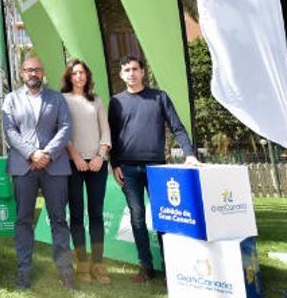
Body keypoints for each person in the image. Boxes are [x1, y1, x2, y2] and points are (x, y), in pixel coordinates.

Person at [108, 55, 198, 283]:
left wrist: (189, 154)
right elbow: (111, 137)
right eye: (126, 70)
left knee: (163, 218)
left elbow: (177, 127)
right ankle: (146, 267)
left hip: (157, 168)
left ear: (143, 72)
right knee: (137, 217)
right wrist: (115, 164)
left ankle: (172, 269)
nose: (131, 73)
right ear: (121, 74)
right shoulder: (116, 101)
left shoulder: (159, 97)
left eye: (135, 69)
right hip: (127, 169)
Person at [1, 56, 77, 291]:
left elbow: (66, 128)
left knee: (59, 219)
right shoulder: (11, 99)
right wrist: (32, 154)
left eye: (37, 70)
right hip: (24, 166)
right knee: (23, 219)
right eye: (28, 70)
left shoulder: (57, 98)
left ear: (43, 72)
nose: (33, 73)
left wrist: (47, 154)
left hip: (54, 166)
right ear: (22, 73)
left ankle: (65, 272)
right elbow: (9, 131)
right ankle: (24, 271)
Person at [60, 59, 112, 285]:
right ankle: (82, 265)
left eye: (82, 73)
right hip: (74, 164)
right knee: (77, 214)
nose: (78, 76)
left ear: (87, 76)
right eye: (74, 73)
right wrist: (76, 157)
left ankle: (98, 265)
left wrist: (100, 156)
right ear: (69, 77)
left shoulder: (97, 100)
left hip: (97, 164)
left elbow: (106, 132)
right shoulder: (62, 99)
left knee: (97, 214)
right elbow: (63, 131)